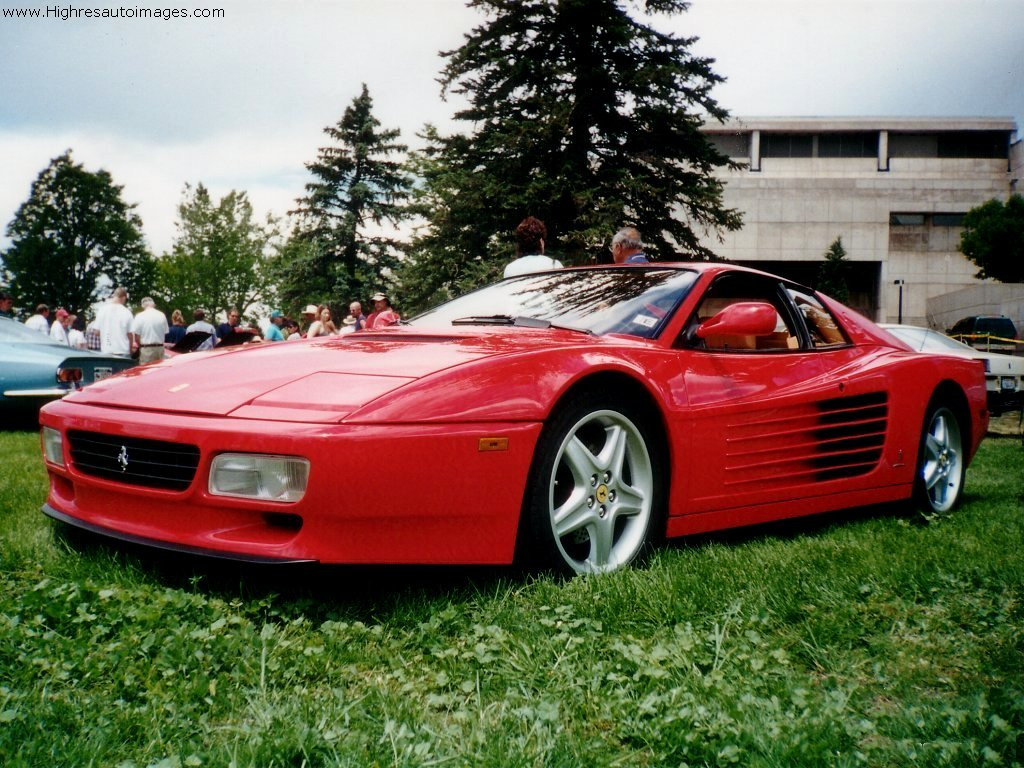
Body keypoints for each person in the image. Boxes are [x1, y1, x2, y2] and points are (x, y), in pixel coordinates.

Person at [95, 287, 133, 356]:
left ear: (114, 296)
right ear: (124, 298)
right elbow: (130, 334)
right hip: (123, 350)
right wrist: (131, 350)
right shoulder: (127, 312)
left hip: (106, 350)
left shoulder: (102, 310)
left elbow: (96, 332)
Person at [131, 297, 170, 364]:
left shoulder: (139, 316)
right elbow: (165, 332)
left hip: (146, 349)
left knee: (146, 371)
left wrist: (140, 346)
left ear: (142, 305)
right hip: (160, 348)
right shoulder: (162, 315)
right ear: (153, 304)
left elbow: (136, 336)